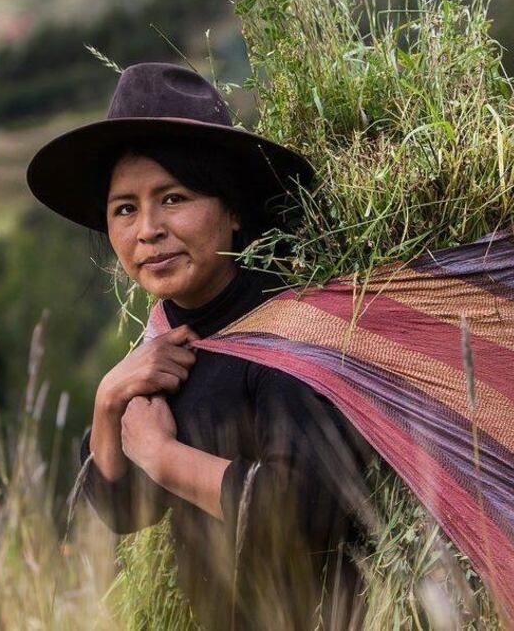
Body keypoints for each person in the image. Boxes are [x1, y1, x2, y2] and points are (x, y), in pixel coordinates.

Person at [26, 62, 376, 630]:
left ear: (233, 210)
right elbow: (123, 511)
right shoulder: (166, 343)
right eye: (125, 208)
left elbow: (305, 513)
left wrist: (164, 456)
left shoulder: (290, 336)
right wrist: (109, 400)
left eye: (173, 198)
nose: (147, 229)